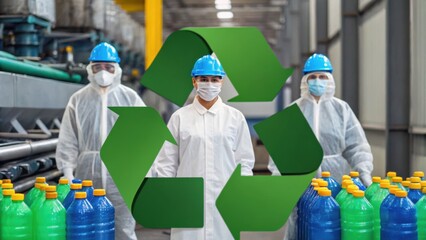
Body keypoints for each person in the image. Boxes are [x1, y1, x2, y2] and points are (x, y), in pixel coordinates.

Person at [268, 53, 374, 240]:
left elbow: (357, 146)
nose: (318, 81)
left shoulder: (342, 110)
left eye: (323, 76)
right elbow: (279, 153)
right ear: (305, 80)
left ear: (330, 79)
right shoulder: (294, 111)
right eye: (313, 77)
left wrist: (364, 171)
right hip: (301, 184)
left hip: (336, 181)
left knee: (330, 226)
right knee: (300, 225)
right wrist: (280, 183)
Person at [153, 55, 255, 240]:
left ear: (221, 82)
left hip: (225, 201)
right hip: (187, 201)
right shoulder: (180, 118)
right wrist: (169, 196)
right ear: (194, 81)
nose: (209, 84)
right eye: (204, 79)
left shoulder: (235, 117)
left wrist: (242, 194)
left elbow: (245, 161)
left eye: (214, 79)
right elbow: (166, 162)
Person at [56, 42, 144, 240]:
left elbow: (145, 137)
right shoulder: (78, 99)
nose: (103, 72)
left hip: (122, 175)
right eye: (98, 67)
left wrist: (144, 171)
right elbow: (68, 138)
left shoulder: (130, 98)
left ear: (117, 69)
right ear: (90, 68)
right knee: (87, 227)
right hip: (87, 175)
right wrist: (68, 172)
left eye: (108, 67)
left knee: (122, 227)